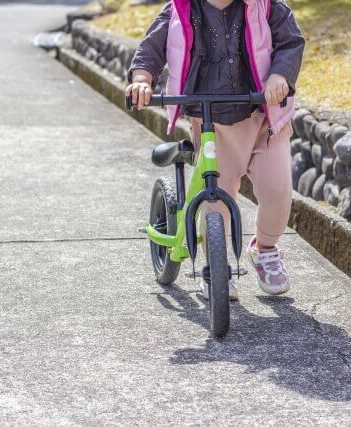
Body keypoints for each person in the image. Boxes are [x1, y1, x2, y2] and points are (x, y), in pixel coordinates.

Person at [126, 0, 305, 300]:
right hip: (214, 125)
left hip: (264, 117)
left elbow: (291, 42)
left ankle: (265, 249)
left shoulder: (266, 6)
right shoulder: (179, 10)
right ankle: (216, 268)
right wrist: (142, 80)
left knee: (277, 192)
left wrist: (280, 76)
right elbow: (150, 50)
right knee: (215, 203)